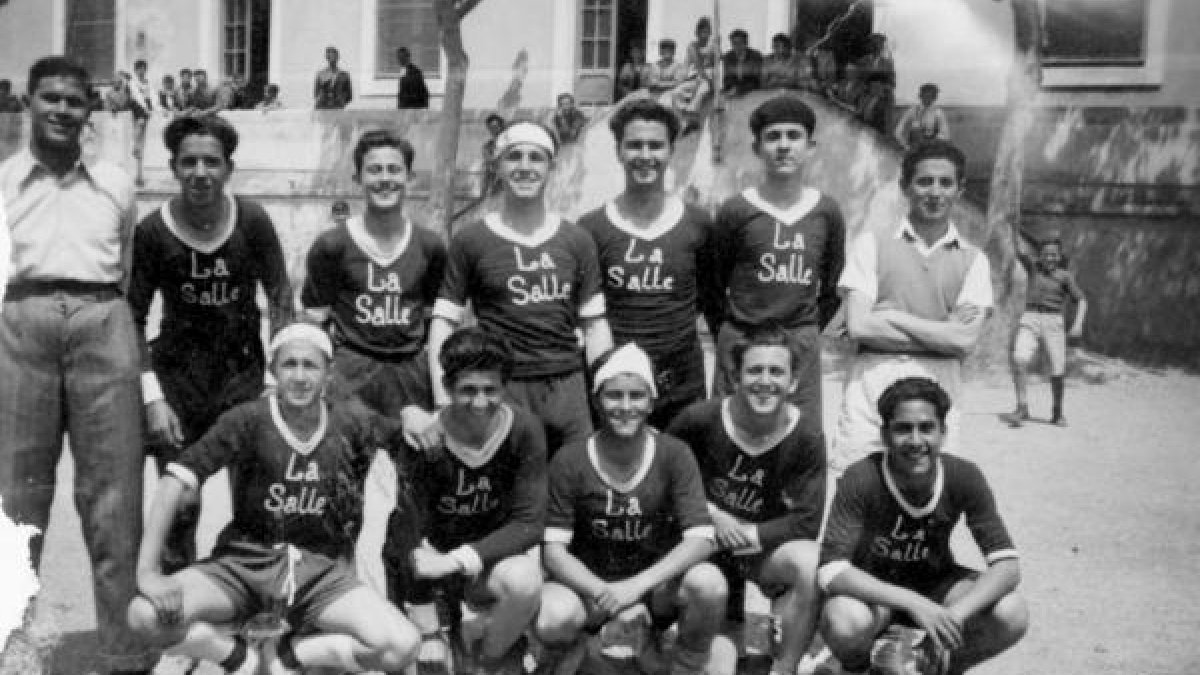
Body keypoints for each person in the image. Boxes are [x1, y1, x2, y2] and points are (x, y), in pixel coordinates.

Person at [125, 324, 422, 675]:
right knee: (143, 616)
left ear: (328, 374)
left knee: (402, 645)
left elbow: (408, 439)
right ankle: (235, 656)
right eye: (289, 365)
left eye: (310, 366)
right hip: (243, 567)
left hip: (320, 575)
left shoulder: (350, 420)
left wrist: (412, 416)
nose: (299, 376)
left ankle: (293, 655)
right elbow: (176, 480)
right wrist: (148, 571)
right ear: (273, 372)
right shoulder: (248, 420)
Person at [0, 55, 155, 674]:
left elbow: (127, 268)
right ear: (28, 104)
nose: (62, 109)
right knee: (14, 495)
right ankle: (14, 641)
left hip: (100, 318)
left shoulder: (117, 182)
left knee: (114, 495)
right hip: (21, 321)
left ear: (89, 110)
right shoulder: (4, 181)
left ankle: (124, 647)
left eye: (74, 100)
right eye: (51, 98)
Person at [127, 114, 294, 572]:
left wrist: (276, 378)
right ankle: (179, 619)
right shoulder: (152, 231)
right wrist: (153, 398)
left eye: (211, 162)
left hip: (241, 380)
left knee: (259, 504)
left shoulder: (252, 221)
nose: (200, 172)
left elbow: (281, 297)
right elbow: (132, 317)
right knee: (181, 507)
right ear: (174, 167)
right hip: (179, 384)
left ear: (228, 167)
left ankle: (252, 612)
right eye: (189, 162)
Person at [534, 343, 730, 675]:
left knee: (709, 584)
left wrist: (636, 587)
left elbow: (700, 539)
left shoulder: (674, 454)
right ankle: (573, 653)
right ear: (597, 400)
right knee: (553, 615)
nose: (625, 406)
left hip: (653, 588)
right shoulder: (571, 459)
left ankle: (686, 665)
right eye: (614, 396)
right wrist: (606, 594)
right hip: (590, 589)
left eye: (636, 396)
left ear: (652, 401)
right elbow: (553, 552)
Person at [817, 377, 1028, 675]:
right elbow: (831, 570)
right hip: (875, 595)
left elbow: (1007, 566)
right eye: (903, 428)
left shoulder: (963, 475)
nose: (916, 441)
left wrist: (954, 615)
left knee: (1012, 612)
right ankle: (859, 667)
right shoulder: (862, 477)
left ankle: (939, 666)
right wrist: (914, 603)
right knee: (844, 618)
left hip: (937, 586)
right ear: (885, 435)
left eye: (926, 427)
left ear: (943, 432)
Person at [427, 120, 613, 454]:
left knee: (574, 492)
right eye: (514, 157)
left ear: (551, 167)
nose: (525, 167)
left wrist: (604, 391)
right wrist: (443, 400)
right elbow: (443, 321)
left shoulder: (577, 240)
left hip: (567, 387)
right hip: (501, 387)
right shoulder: (472, 239)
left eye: (535, 157)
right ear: (497, 166)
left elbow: (596, 325)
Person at [667, 326, 826, 675]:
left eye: (776, 371)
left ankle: (784, 667)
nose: (765, 381)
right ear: (735, 378)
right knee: (721, 665)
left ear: (794, 380)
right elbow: (663, 476)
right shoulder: (700, 420)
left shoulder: (807, 435)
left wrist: (746, 534)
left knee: (810, 561)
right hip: (703, 545)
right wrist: (712, 516)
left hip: (759, 550)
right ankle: (677, 643)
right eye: (754, 370)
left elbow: (808, 519)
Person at [831, 140, 992, 475]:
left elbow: (964, 341)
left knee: (929, 493)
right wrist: (943, 330)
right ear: (905, 187)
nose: (935, 192)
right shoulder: (871, 243)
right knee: (860, 485)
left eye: (946, 183)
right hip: (873, 379)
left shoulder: (974, 260)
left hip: (940, 383)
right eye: (924, 181)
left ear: (959, 190)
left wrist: (890, 316)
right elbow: (860, 327)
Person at [395, 327, 547, 675]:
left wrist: (456, 561)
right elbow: (406, 530)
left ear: (504, 387)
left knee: (525, 580)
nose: (480, 402)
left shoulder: (524, 429)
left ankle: (488, 658)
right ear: (447, 388)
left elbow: (529, 522)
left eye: (490, 390)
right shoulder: (426, 436)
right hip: (431, 570)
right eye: (468, 390)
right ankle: (447, 634)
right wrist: (428, 625)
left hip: (485, 563)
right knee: (425, 662)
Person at [578, 98, 719, 429]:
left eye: (655, 146)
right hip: (616, 389)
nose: (645, 156)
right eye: (634, 145)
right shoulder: (591, 228)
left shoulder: (698, 225)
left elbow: (712, 304)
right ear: (618, 152)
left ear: (671, 150)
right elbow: (586, 316)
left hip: (681, 387)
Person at [713, 96, 846, 434]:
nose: (783, 146)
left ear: (810, 146)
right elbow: (712, 284)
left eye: (793, 136)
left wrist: (803, 330)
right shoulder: (736, 211)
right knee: (731, 436)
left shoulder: (826, 212)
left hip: (799, 341)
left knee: (800, 439)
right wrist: (735, 333)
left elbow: (831, 288)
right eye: (773, 137)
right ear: (758, 148)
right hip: (743, 339)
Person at [302, 130, 446, 420]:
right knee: (343, 461)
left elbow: (437, 322)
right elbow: (314, 323)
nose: (384, 179)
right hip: (350, 373)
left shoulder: (429, 246)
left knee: (419, 459)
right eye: (374, 170)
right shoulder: (333, 245)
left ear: (410, 177)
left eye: (394, 169)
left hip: (410, 373)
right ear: (357, 178)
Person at [1003, 235, 1087, 427]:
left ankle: (1057, 412)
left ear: (1059, 256)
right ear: (1039, 256)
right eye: (1046, 255)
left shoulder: (1065, 276)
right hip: (1030, 318)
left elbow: (1082, 300)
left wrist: (1077, 324)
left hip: (1054, 321)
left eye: (1054, 255)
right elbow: (1017, 250)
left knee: (1058, 369)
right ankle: (1022, 407)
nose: (1050, 258)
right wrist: (1012, 227)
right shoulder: (1032, 268)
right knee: (1019, 358)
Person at [894, 83, 950, 151]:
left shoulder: (938, 113)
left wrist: (933, 142)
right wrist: (905, 145)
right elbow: (898, 131)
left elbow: (945, 134)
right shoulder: (912, 111)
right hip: (914, 148)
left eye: (932, 96)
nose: (929, 99)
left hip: (933, 147)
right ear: (920, 96)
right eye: (926, 96)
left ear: (935, 98)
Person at [722, 28, 764, 97]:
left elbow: (756, 80)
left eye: (739, 43)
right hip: (733, 92)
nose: (736, 46)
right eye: (734, 43)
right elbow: (727, 78)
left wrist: (739, 89)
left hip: (752, 92)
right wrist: (732, 88)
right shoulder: (728, 57)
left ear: (746, 43)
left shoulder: (755, 56)